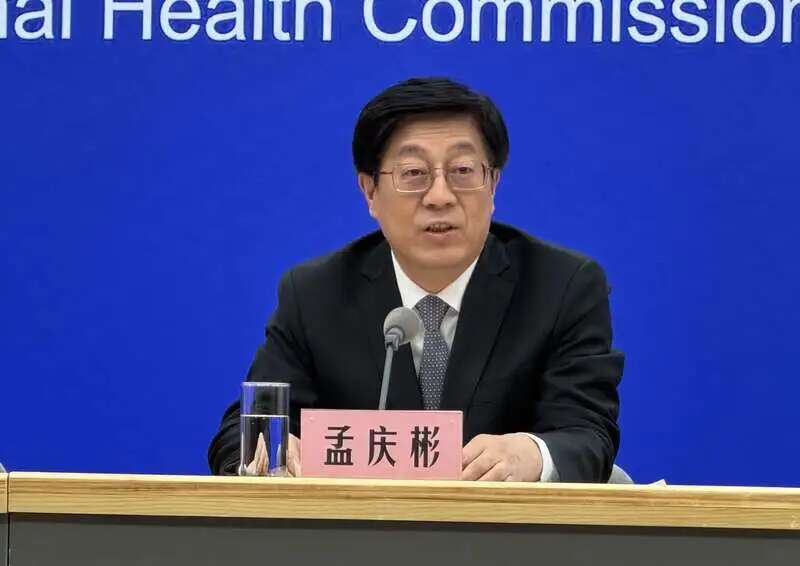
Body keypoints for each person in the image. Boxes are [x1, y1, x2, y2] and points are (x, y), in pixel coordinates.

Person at [208, 77, 624, 482]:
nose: (440, 196)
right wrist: (272, 450)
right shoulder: (316, 294)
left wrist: (533, 453)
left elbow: (587, 435)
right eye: (413, 173)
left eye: (463, 170)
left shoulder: (561, 287)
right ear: (370, 192)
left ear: (493, 184)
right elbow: (239, 433)